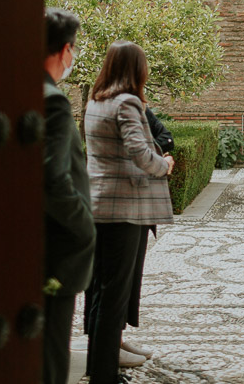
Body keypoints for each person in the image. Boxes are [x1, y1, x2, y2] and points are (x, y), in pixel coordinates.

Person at [83, 41, 176, 384]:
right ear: (135, 69)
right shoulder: (126, 103)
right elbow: (140, 152)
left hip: (99, 206)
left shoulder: (96, 101)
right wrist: (163, 165)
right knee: (114, 294)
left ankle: (98, 365)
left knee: (102, 290)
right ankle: (105, 376)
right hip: (124, 209)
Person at [42, 7, 96, 384]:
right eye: (73, 50)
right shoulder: (53, 101)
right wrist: (84, 226)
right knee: (50, 353)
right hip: (55, 249)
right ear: (64, 50)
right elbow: (52, 176)